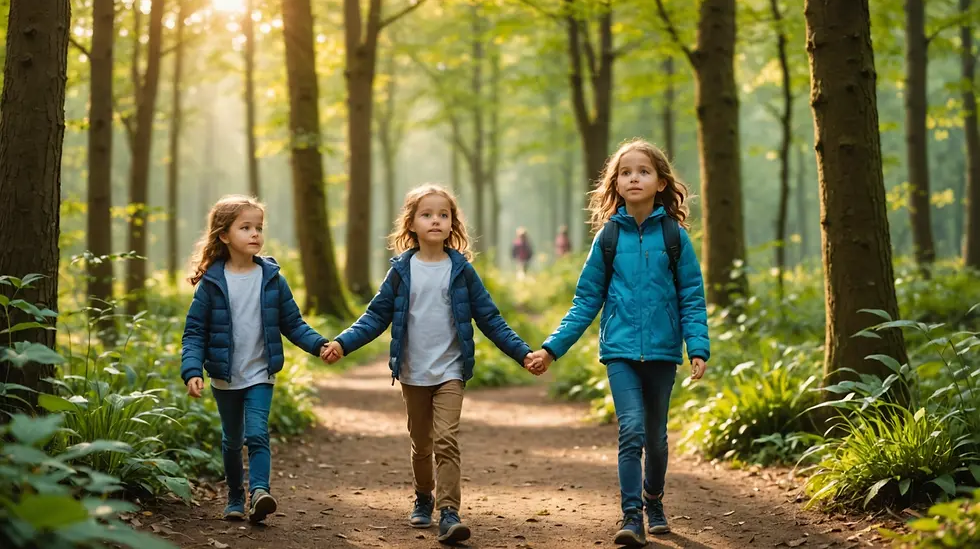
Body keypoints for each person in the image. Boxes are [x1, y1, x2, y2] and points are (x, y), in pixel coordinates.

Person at [321, 184, 541, 544]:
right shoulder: (402, 271)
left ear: (453, 223)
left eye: (443, 214)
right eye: (427, 215)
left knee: (446, 440)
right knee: (421, 445)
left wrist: (523, 353)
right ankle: (423, 496)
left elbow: (490, 319)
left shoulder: (462, 271)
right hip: (413, 372)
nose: (435, 220)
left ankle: (449, 512)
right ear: (411, 224)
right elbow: (375, 317)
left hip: (451, 370)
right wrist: (342, 343)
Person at [527, 139, 710, 547]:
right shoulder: (607, 238)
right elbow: (585, 301)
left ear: (661, 182)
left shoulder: (674, 236)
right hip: (620, 352)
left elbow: (691, 296)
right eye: (625, 172)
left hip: (662, 352)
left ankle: (653, 499)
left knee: (656, 439)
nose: (634, 178)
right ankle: (631, 517)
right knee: (631, 430)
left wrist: (697, 347)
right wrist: (551, 349)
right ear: (615, 184)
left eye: (643, 171)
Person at [180, 195, 333, 524]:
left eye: (258, 228)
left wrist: (320, 345)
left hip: (261, 372)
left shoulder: (272, 278)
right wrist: (192, 370)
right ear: (224, 235)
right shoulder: (211, 284)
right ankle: (235, 495)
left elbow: (293, 324)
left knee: (257, 434)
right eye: (245, 227)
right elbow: (194, 332)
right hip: (224, 375)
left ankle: (260, 492)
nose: (255, 234)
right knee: (232, 440)